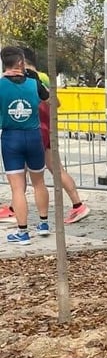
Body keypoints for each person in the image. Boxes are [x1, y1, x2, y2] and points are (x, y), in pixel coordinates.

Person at [22, 47, 90, 224]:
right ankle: (78, 204)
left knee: (22, 170)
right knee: (55, 167)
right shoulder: (43, 77)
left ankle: (16, 209)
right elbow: (55, 101)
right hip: (47, 126)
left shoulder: (28, 78)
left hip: (36, 127)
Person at [0, 46, 51, 244]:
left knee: (17, 188)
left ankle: (23, 232)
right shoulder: (34, 84)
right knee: (39, 182)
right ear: (21, 62)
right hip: (34, 136)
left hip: (10, 137)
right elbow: (54, 102)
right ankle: (44, 223)